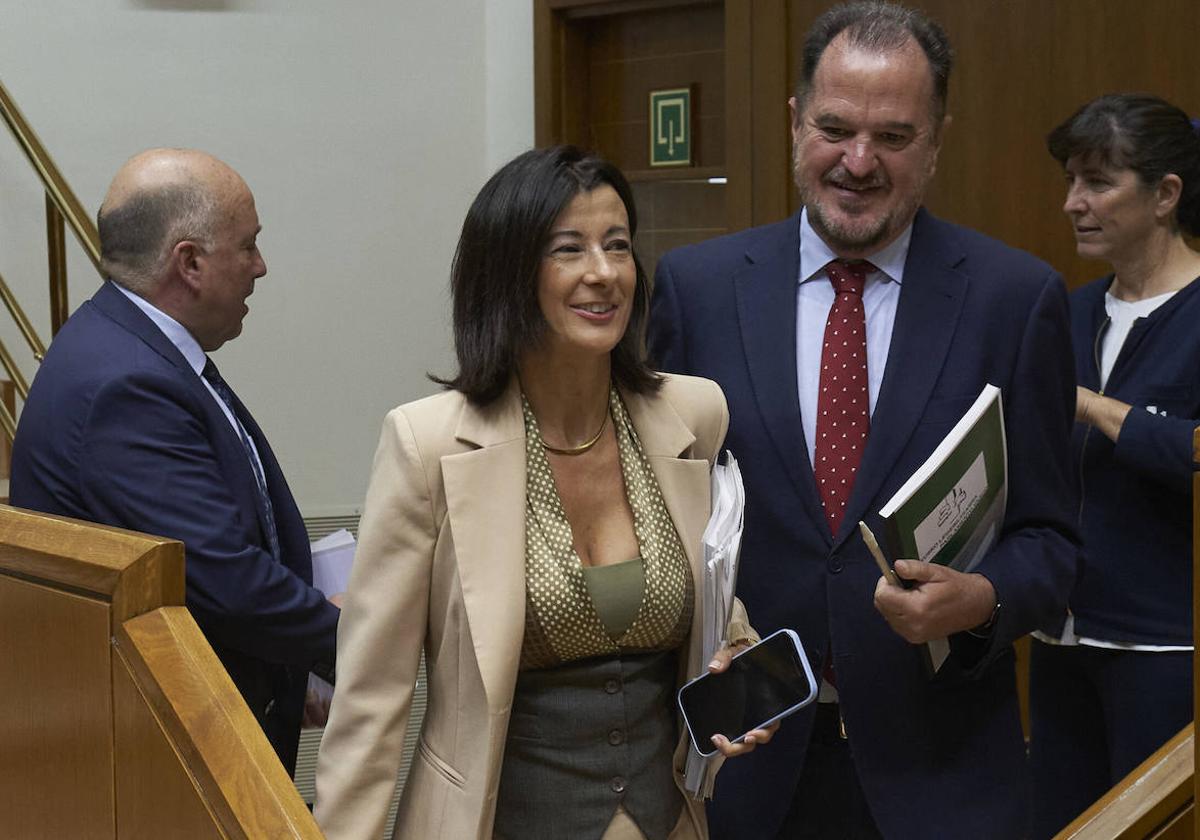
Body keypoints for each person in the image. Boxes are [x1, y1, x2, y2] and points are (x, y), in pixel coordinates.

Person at [647, 2, 1080, 838]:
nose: (857, 161)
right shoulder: (696, 292)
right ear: (794, 121)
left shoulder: (1014, 301)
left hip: (944, 777)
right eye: (835, 127)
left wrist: (983, 597)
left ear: (937, 140)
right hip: (744, 770)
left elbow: (1055, 544)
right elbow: (662, 516)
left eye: (893, 137)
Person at [314, 146, 771, 840]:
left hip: (664, 821)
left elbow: (710, 584)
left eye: (618, 246)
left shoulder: (692, 415)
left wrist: (735, 649)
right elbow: (371, 699)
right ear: (509, 272)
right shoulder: (428, 444)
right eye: (570, 249)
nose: (604, 273)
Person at [9, 148, 339, 775]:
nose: (261, 267)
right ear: (189, 262)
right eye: (248, 246)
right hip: (165, 759)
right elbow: (221, 581)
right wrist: (362, 642)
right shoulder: (124, 383)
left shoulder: (127, 346)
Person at [1030, 94, 1200, 838]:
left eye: (1098, 182)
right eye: (1070, 181)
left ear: (1166, 194)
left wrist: (1093, 408)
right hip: (1058, 637)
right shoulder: (1068, 310)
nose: (1074, 203)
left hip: (1164, 646)